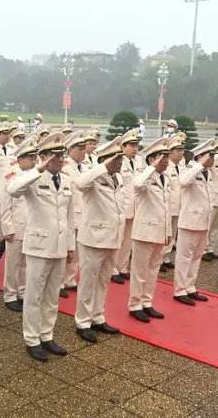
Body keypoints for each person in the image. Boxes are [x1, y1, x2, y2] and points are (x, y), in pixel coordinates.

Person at [7, 132, 75, 362]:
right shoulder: (32, 178)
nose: (60, 159)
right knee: (33, 295)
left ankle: (47, 335)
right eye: (54, 155)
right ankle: (32, 339)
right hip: (38, 246)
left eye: (62, 155)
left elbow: (69, 217)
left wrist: (70, 245)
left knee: (52, 295)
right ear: (43, 157)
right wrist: (38, 169)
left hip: (59, 245)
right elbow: (12, 189)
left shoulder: (66, 180)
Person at [73, 137, 125, 343]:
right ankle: (83, 322)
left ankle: (97, 317)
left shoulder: (117, 178)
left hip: (112, 238)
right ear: (106, 160)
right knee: (88, 282)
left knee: (103, 281)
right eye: (117, 159)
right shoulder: (93, 177)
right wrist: (102, 167)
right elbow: (80, 183)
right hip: (93, 239)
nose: (120, 162)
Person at [128, 137, 171, 323]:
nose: (167, 161)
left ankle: (147, 302)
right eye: (163, 157)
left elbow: (165, 207)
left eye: (167, 157)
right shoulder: (143, 176)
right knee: (139, 271)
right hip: (144, 232)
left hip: (159, 232)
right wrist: (152, 166)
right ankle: (135, 304)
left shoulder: (164, 178)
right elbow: (137, 184)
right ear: (152, 159)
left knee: (153, 270)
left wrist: (168, 232)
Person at [173, 138, 215, 306]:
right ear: (201, 157)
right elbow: (183, 182)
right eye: (210, 156)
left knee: (197, 256)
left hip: (203, 221)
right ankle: (179, 290)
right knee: (184, 257)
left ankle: (190, 286)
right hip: (190, 221)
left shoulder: (208, 173)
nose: (213, 159)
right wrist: (198, 165)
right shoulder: (188, 169)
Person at [0, 137, 36, 311]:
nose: (34, 161)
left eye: (35, 158)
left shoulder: (35, 175)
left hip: (31, 226)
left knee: (26, 263)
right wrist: (7, 228)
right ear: (20, 159)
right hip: (16, 225)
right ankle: (10, 295)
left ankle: (22, 292)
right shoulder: (11, 175)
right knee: (13, 263)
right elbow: (5, 204)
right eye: (30, 158)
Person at [112, 129, 142, 284]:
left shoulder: (138, 162)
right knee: (118, 239)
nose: (135, 148)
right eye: (132, 145)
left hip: (135, 206)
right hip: (122, 206)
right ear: (123, 146)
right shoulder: (118, 162)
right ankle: (113, 269)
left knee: (128, 240)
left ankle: (123, 267)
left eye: (137, 145)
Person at [60, 131, 87, 297]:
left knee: (75, 252)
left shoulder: (84, 167)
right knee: (65, 250)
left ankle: (70, 280)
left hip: (82, 214)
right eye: (80, 148)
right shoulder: (65, 168)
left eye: (84, 148)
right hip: (70, 214)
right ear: (70, 150)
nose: (84, 151)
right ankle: (59, 283)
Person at [161, 133, 186, 271]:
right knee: (164, 233)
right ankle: (159, 259)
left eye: (182, 150)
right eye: (178, 150)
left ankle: (166, 256)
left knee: (173, 233)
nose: (181, 153)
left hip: (178, 206)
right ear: (170, 152)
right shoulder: (166, 167)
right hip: (168, 207)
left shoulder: (180, 167)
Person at [203, 136, 218, 262]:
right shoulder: (213, 162)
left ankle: (210, 248)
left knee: (215, 226)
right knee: (208, 225)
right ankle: (203, 249)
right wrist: (217, 152)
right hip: (213, 197)